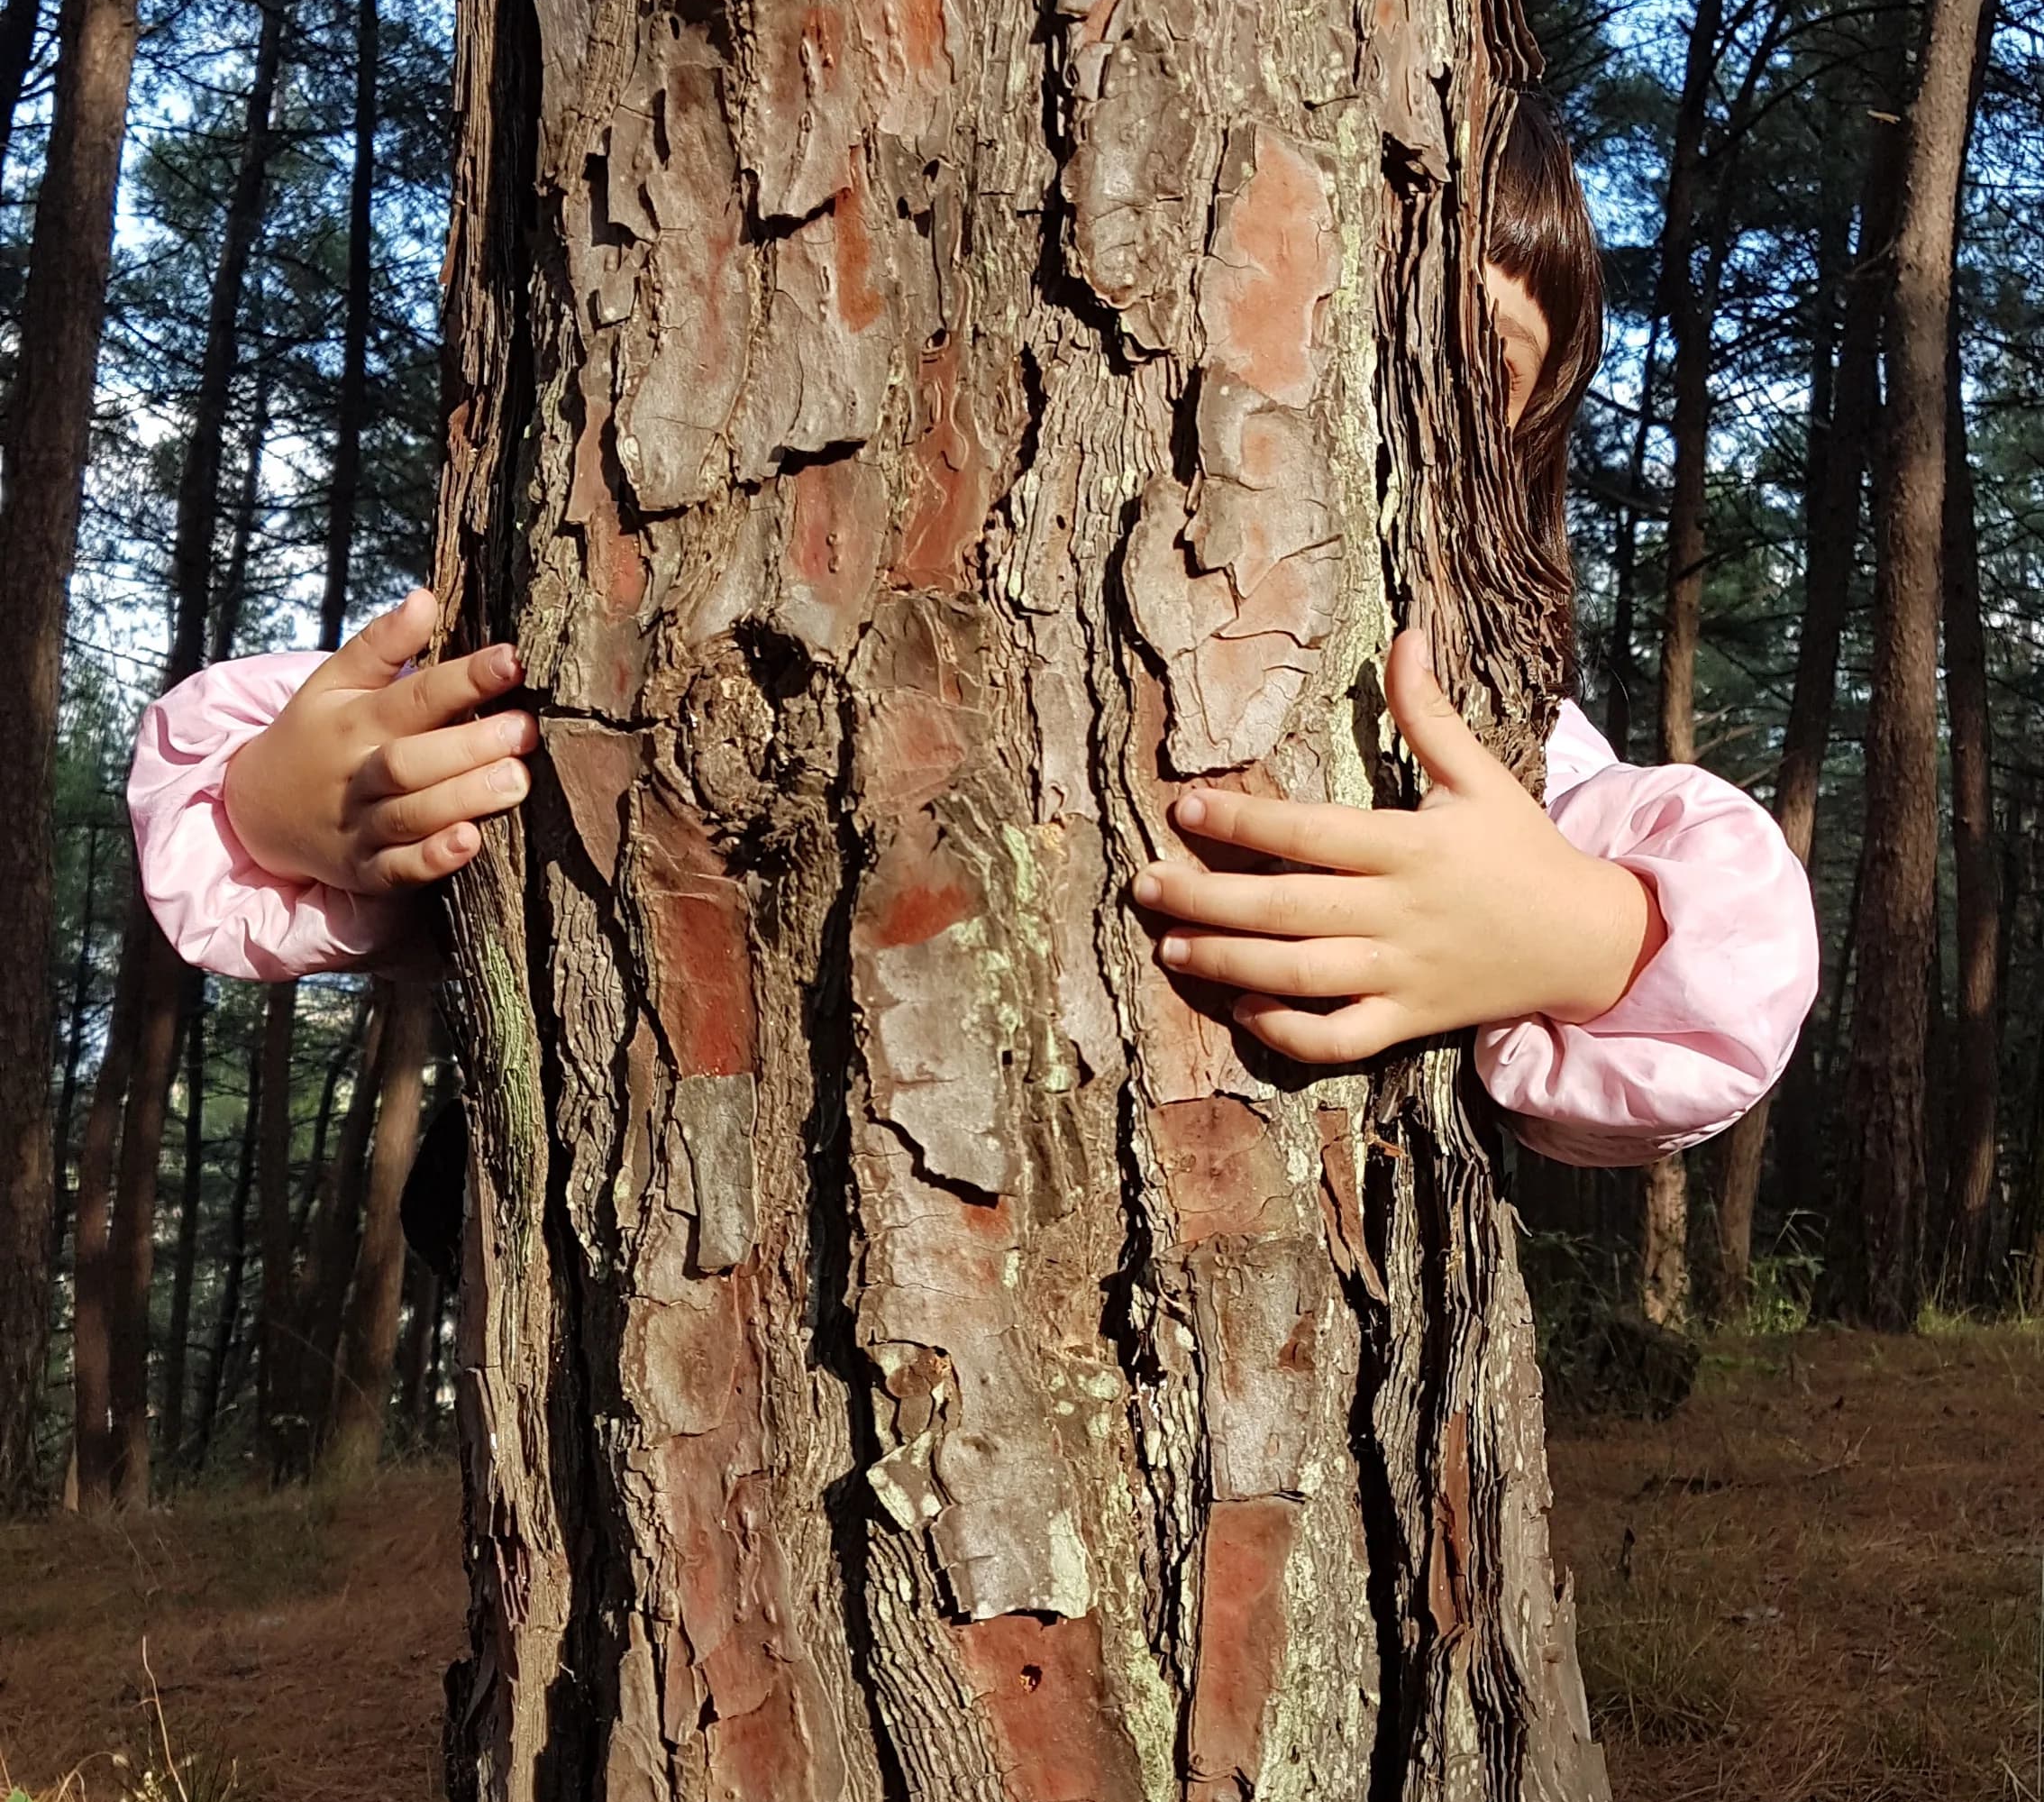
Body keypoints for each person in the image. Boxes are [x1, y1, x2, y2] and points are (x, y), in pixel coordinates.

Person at [127, 96, 1817, 1172]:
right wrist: (285, 804)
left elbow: (1722, 938)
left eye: (1470, 387)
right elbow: (274, 762)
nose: (1371, 417)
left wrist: (1578, 933)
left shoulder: (1448, 718)